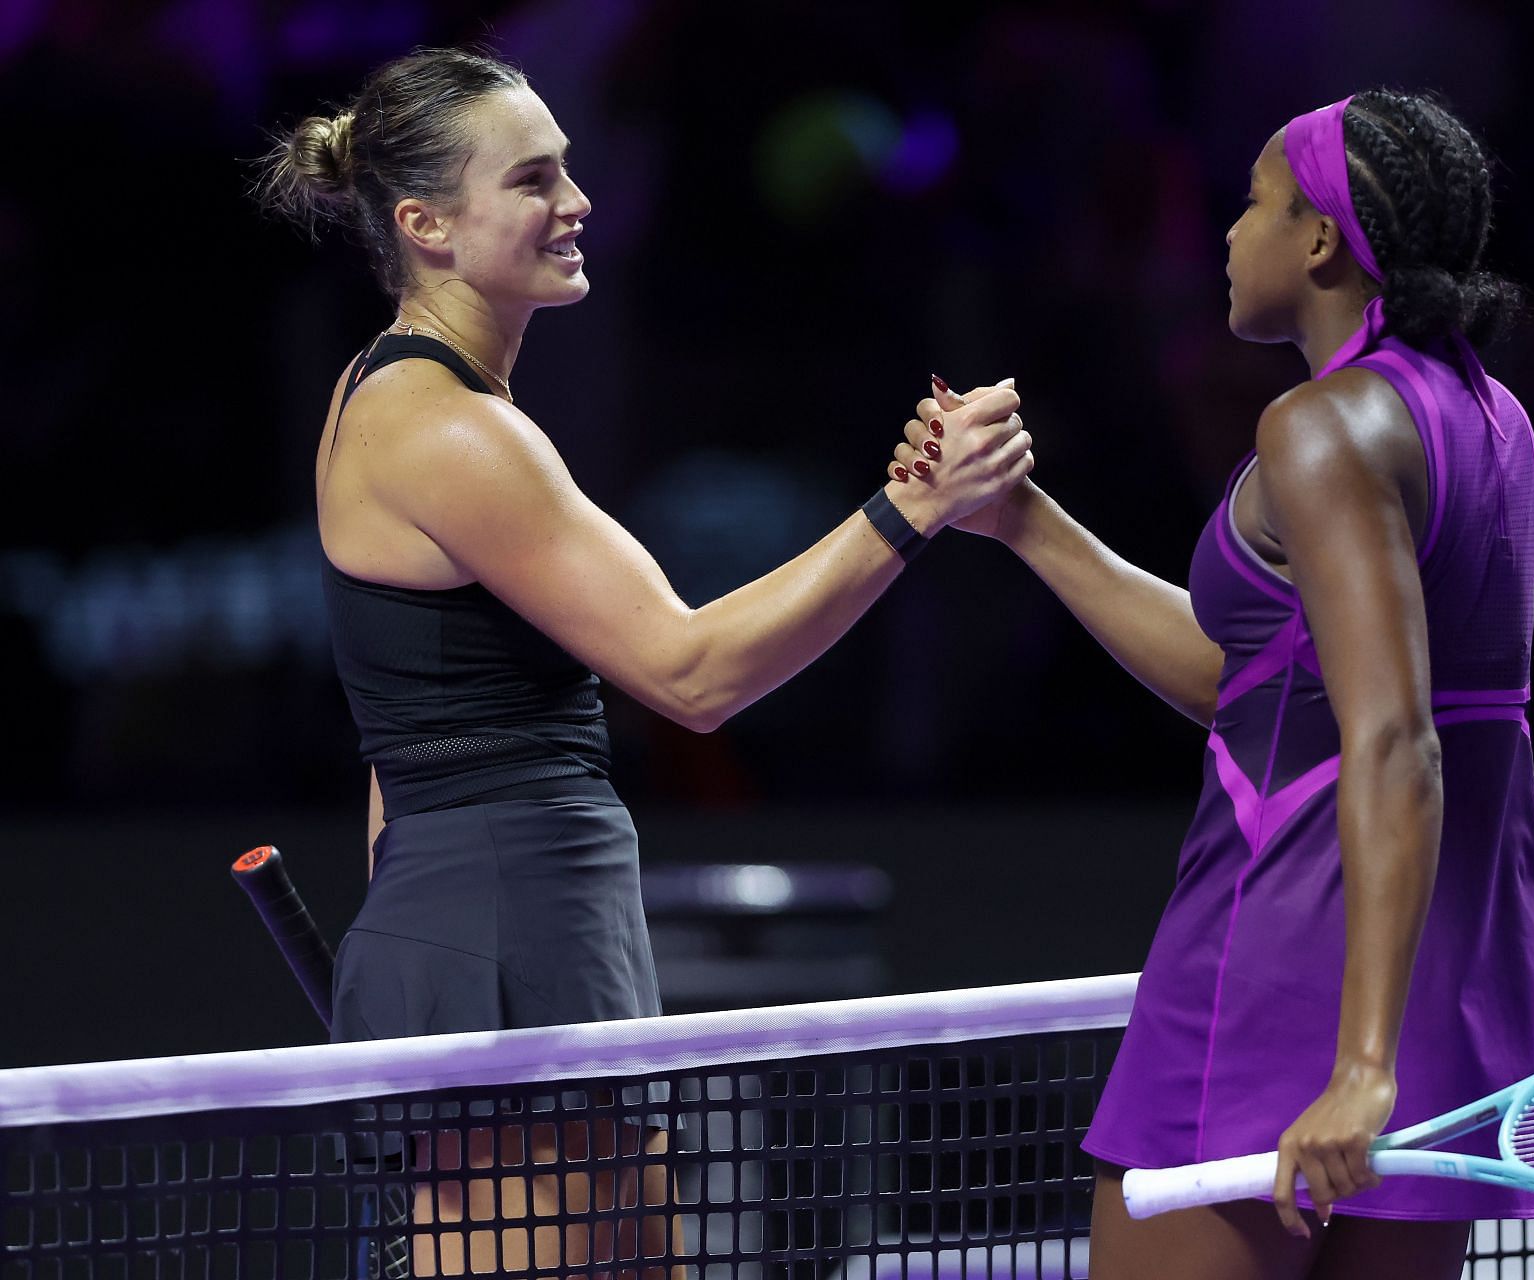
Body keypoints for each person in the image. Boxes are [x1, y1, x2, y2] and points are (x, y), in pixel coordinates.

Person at [253, 46, 1029, 1276]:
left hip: (520, 919)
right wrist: (910, 509)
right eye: (535, 178)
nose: (578, 202)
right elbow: (693, 673)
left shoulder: (406, 398)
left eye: (568, 168)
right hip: (503, 929)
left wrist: (412, 936)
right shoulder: (446, 427)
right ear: (428, 225)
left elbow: (397, 752)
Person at [900, 90, 1534, 1279]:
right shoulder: (1491, 418)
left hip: (1278, 966)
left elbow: (1395, 737)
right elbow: (1253, 685)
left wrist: (1357, 1066)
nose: (1231, 232)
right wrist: (1022, 521)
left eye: (1254, 202)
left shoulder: (1321, 426)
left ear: (1319, 240)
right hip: (1440, 976)